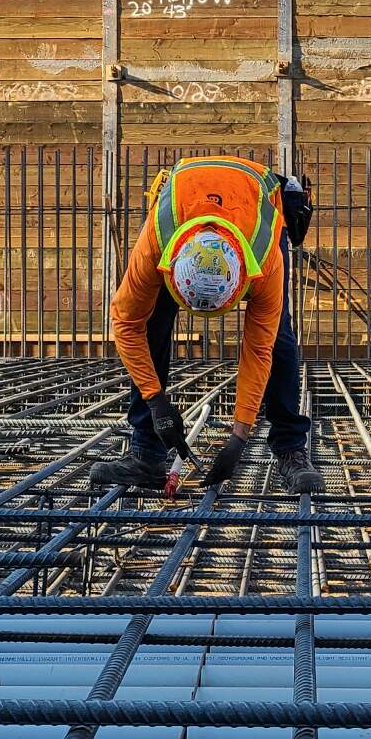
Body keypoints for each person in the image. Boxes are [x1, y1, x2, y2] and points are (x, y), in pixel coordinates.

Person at [90, 156, 321, 494]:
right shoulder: (156, 242)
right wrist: (156, 403)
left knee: (278, 338)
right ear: (171, 270)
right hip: (185, 203)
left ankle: (290, 448)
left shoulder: (265, 256)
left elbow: (257, 348)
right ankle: (147, 453)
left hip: (254, 201)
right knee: (152, 322)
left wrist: (239, 437)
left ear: (242, 279)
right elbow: (126, 323)